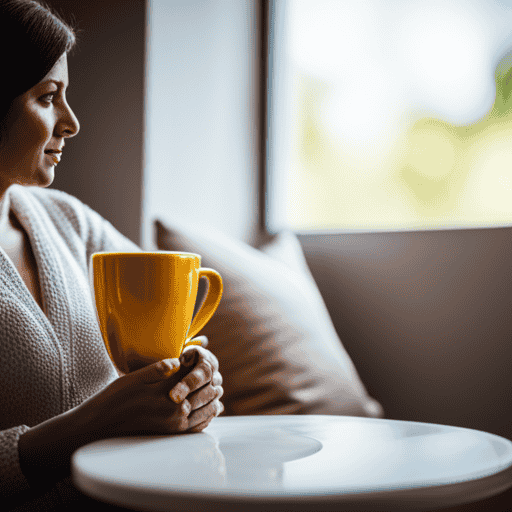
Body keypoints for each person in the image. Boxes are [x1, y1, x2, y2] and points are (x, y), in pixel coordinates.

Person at [0, 0, 224, 509]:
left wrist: (189, 379)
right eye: (47, 97)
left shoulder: (69, 222)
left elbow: (163, 336)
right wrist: (88, 425)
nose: (72, 122)